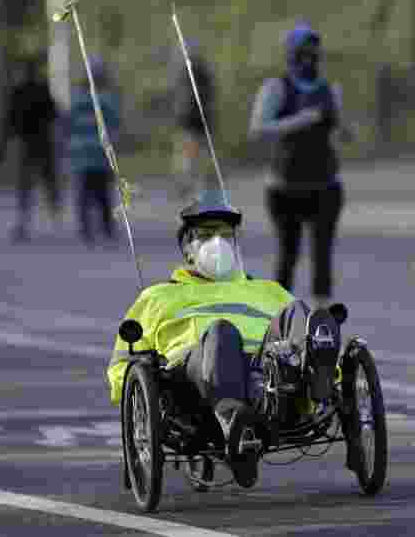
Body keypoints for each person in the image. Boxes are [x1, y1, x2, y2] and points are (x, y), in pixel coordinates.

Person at [104, 191, 342, 488]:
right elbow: (124, 364)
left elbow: (294, 331)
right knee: (222, 331)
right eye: (206, 235)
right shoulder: (157, 296)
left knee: (300, 312)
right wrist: (130, 397)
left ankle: (316, 384)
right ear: (188, 248)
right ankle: (233, 421)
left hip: (269, 368)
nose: (217, 243)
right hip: (197, 374)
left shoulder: (267, 289)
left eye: (226, 235)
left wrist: (335, 373)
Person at [249, 23, 354, 311]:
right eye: (303, 52)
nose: (309, 58)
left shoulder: (330, 89)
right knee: (288, 253)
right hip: (284, 186)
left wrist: (345, 128)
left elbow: (342, 133)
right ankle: (279, 318)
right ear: (291, 54)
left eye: (313, 52)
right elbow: (257, 129)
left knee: (322, 253)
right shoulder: (276, 88)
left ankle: (322, 321)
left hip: (325, 184)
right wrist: (299, 120)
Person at [0, 57, 62, 243]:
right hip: (41, 142)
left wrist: (1, 147)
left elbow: (8, 121)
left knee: (27, 184)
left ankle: (26, 223)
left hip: (28, 144)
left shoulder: (19, 92)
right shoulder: (42, 89)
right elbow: (54, 116)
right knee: (46, 181)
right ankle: (53, 220)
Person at [68, 55, 120, 246]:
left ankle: (90, 229)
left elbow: (67, 123)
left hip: (86, 155)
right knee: (100, 193)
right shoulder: (108, 97)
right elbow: (115, 123)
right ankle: (102, 228)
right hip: (97, 155)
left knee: (89, 194)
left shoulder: (77, 97)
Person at [172, 40, 216, 199]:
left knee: (190, 153)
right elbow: (210, 95)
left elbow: (182, 98)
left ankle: (188, 184)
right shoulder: (201, 71)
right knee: (194, 153)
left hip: (190, 118)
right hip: (195, 117)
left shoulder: (186, 71)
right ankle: (190, 184)